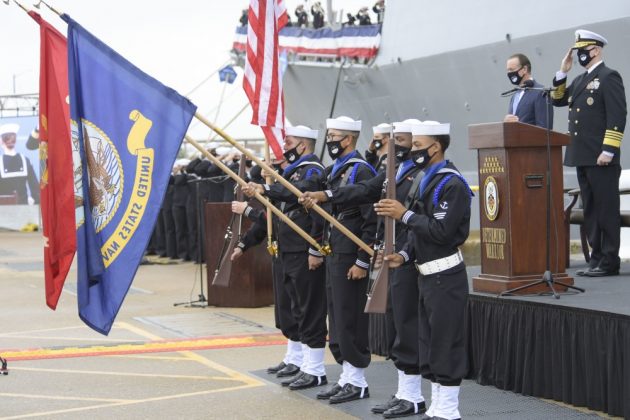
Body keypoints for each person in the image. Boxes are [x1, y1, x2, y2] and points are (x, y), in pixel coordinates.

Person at [301, 118, 427, 418]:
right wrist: (326, 195)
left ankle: (410, 394)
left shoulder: (425, 175)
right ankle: (364, 381)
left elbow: (371, 217)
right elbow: (363, 192)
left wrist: (361, 258)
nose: (395, 145)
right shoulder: (395, 171)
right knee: (381, 323)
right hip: (392, 256)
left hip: (413, 256)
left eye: (407, 141)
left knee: (401, 326)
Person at [375, 121, 472, 420]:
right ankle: (437, 407)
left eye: (418, 146)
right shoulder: (425, 179)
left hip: (446, 276)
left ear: (437, 147)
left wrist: (404, 214)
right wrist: (403, 256)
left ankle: (448, 410)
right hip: (426, 274)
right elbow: (420, 235)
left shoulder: (450, 183)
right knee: (429, 343)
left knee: (446, 343)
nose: (413, 151)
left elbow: (441, 231)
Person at [243, 125, 328, 390]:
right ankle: (297, 358)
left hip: (303, 249)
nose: (283, 148)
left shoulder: (313, 170)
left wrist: (316, 249)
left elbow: (299, 195)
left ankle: (314, 368)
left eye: (288, 142)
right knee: (292, 307)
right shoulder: (290, 171)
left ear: (303, 145)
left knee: (309, 307)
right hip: (287, 247)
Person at [303, 116, 377, 404]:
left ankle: (357, 380)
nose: (329, 140)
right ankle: (347, 376)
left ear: (347, 139)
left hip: (350, 255)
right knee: (337, 318)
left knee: (350, 318)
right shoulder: (336, 170)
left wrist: (362, 260)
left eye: (333, 136)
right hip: (335, 251)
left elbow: (370, 221)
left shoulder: (360, 170)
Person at [551, 29, 626, 277]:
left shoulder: (609, 77)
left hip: (600, 158)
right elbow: (557, 99)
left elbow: (617, 116)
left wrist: (609, 150)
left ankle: (609, 261)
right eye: (577, 51)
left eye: (583, 50)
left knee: (606, 209)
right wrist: (563, 71)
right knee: (591, 210)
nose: (580, 54)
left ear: (595, 50)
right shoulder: (581, 80)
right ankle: (596, 259)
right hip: (582, 156)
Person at [232, 157, 307, 380]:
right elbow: (266, 223)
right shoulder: (276, 191)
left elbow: (276, 219)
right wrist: (244, 244)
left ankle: (303, 359)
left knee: (299, 307)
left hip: (297, 252)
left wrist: (248, 211)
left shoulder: (289, 188)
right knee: (284, 309)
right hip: (280, 251)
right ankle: (293, 356)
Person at [504, 53, 553, 129]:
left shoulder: (540, 92)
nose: (509, 73)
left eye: (512, 70)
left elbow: (544, 128)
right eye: (508, 70)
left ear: (524, 69)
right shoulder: (515, 95)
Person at [0, 123, 40, 204]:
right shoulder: (25, 160)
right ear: (15, 140)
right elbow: (35, 188)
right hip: (24, 209)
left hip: (3, 211)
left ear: (1, 141)